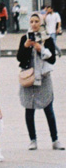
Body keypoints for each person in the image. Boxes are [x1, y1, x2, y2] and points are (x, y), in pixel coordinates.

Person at [17, 11, 65, 151]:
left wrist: (41, 49)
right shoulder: (24, 38)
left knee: (48, 108)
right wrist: (26, 46)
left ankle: (55, 139)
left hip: (43, 78)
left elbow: (52, 60)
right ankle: (33, 140)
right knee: (29, 109)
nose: (34, 24)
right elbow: (20, 58)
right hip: (29, 78)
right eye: (31, 22)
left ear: (41, 23)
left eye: (36, 21)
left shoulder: (47, 39)